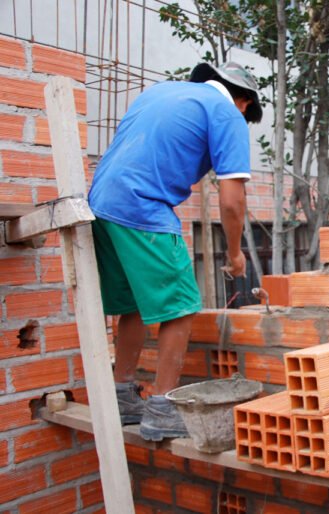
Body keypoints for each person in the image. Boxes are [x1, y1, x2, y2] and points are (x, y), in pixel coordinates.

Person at [88, 61, 262, 441]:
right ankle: (163, 407)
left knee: (133, 302)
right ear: (244, 101)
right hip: (141, 204)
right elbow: (232, 201)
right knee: (182, 304)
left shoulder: (160, 91)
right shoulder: (227, 113)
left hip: (101, 202)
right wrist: (235, 255)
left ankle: (121, 396)